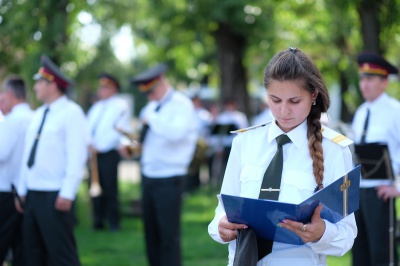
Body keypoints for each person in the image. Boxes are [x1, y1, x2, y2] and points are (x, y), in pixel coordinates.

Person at [208, 47, 357, 266]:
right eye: (275, 100)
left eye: (294, 101)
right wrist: (220, 225)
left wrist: (321, 232)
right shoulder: (245, 142)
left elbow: (347, 235)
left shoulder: (334, 150)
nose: (283, 111)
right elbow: (224, 206)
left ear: (313, 95)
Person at [15, 54, 89, 266]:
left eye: (39, 82)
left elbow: (77, 155)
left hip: (55, 193)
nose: (35, 87)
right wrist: (22, 188)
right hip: (33, 192)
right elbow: (28, 154)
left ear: (52, 85)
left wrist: (68, 191)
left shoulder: (71, 113)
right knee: (32, 252)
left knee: (61, 254)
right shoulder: (39, 114)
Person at [131, 63, 198, 266]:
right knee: (151, 234)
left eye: (150, 91)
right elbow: (148, 140)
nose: (148, 97)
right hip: (149, 174)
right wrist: (131, 147)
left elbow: (176, 134)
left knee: (168, 236)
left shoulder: (181, 104)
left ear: (160, 83)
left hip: (169, 176)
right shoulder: (151, 107)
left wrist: (152, 119)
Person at [350, 52, 400, 266]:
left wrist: (398, 186)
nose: (365, 84)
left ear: (384, 82)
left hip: (381, 192)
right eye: (362, 79)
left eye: (370, 79)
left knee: (382, 254)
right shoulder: (361, 112)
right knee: (359, 252)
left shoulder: (395, 111)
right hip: (358, 191)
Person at [87, 73, 132, 231]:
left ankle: (113, 222)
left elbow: (119, 130)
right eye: (101, 87)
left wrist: (101, 146)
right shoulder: (96, 107)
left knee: (110, 188)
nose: (102, 90)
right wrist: (90, 145)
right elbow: (88, 128)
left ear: (114, 88)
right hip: (93, 153)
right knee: (94, 187)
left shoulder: (120, 105)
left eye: (106, 87)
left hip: (108, 153)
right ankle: (97, 220)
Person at [0, 75, 33, 266]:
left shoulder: (12, 120)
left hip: (5, 189)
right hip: (24, 190)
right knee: (22, 245)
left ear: (10, 94)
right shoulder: (35, 117)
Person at [209, 97, 249, 187]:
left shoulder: (240, 117)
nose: (230, 107)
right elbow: (217, 135)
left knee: (236, 166)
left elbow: (244, 132)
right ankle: (222, 183)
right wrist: (218, 148)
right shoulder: (221, 117)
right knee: (224, 166)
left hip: (236, 146)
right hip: (224, 146)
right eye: (228, 105)